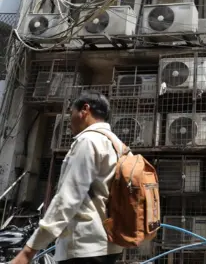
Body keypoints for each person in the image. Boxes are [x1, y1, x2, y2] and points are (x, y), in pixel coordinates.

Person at [12, 91, 124, 264]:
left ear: (84, 109)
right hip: (110, 245)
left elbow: (68, 198)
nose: (69, 120)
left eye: (71, 112)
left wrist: (29, 250)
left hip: (83, 245)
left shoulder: (88, 141)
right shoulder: (118, 145)